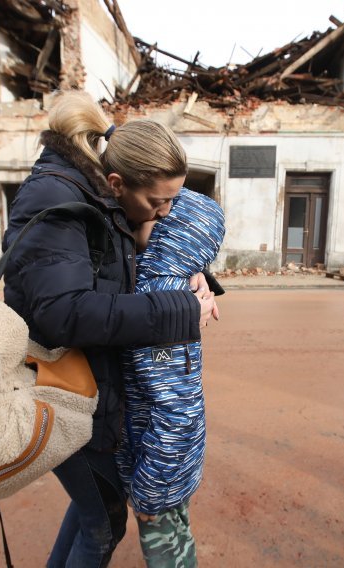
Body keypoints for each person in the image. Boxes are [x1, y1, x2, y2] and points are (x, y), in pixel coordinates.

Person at [2, 90, 217, 567]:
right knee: (105, 524)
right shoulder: (59, 197)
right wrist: (178, 310)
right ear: (118, 183)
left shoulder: (99, 196)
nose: (164, 215)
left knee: (91, 510)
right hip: (60, 389)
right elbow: (63, 312)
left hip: (90, 386)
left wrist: (192, 274)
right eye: (157, 203)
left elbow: (106, 271)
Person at [116, 187, 225, 567]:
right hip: (173, 466)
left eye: (159, 212)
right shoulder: (172, 288)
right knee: (181, 539)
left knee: (165, 549)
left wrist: (149, 491)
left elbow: (175, 410)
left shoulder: (158, 301)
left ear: (168, 233)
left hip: (158, 468)